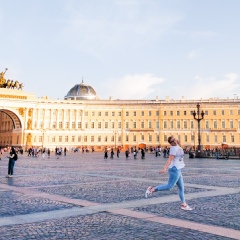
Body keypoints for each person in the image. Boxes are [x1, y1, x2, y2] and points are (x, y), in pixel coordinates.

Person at [145, 136, 192, 211]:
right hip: (174, 169)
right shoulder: (173, 149)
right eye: (172, 141)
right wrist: (164, 168)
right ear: (171, 143)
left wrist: (178, 142)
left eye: (174, 139)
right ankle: (152, 189)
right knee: (169, 187)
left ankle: (184, 204)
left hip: (178, 169)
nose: (174, 141)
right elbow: (169, 160)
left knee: (181, 188)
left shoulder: (177, 145)